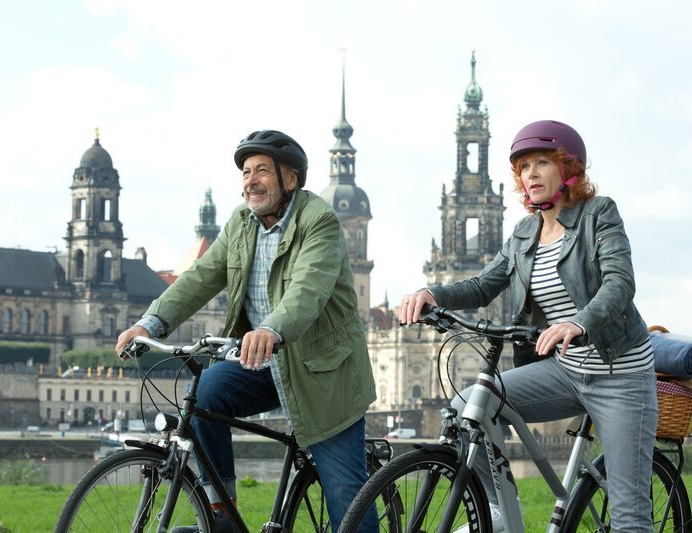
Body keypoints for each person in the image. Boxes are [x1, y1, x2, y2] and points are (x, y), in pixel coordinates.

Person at [399, 120, 658, 532]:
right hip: (564, 369)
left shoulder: (598, 214)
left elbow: (619, 283)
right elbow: (484, 284)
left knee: (628, 512)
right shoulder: (524, 232)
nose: (530, 174)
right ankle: (497, 513)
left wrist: (579, 321)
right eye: (523, 166)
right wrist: (434, 294)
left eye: (542, 162)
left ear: (569, 169)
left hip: (618, 372)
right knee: (468, 408)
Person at [116, 130, 377, 532]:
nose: (250, 180)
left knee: (348, 501)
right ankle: (222, 514)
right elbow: (200, 278)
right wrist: (149, 322)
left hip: (323, 371)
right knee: (205, 396)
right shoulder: (241, 223)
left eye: (261, 171)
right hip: (263, 361)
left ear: (290, 179)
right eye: (245, 172)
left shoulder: (319, 220)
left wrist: (271, 327)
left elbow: (308, 289)